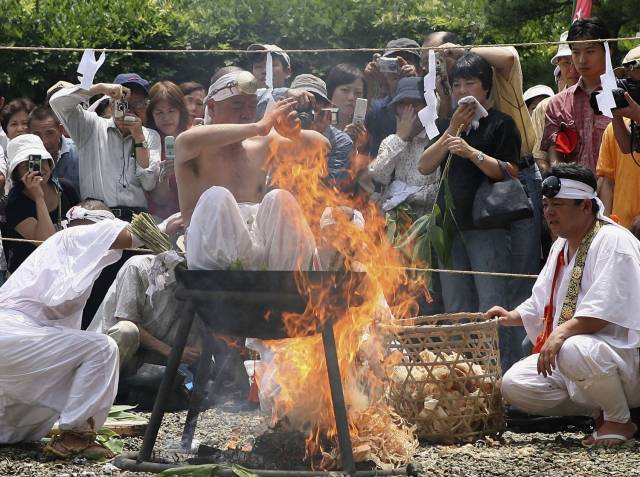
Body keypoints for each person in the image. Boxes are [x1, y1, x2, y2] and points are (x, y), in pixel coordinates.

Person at [490, 163, 640, 447]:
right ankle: (599, 408)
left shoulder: (613, 241)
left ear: (585, 206)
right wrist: (512, 316)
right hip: (585, 358)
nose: (548, 212)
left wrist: (560, 334)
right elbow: (542, 300)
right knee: (514, 385)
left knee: (570, 346)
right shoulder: (561, 244)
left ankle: (620, 420)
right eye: (546, 204)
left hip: (626, 360)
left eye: (557, 204)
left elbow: (604, 311)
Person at [0, 200, 137, 457]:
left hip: (16, 346)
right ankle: (76, 437)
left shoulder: (68, 259)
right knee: (102, 348)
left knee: (26, 430)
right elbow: (131, 236)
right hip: (12, 334)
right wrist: (168, 226)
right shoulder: (74, 234)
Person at [418, 53, 522, 371]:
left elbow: (509, 171)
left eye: (471, 83)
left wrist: (472, 152)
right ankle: (462, 377)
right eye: (457, 84)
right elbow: (425, 166)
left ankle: (499, 377)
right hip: (449, 228)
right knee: (457, 306)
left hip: (487, 226)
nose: (463, 90)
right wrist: (453, 128)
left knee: (491, 305)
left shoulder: (500, 123)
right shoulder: (448, 126)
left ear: (486, 88)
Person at [174, 69, 326, 271]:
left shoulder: (261, 141)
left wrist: (295, 134)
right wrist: (258, 127)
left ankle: (288, 287)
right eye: (237, 105)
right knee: (217, 197)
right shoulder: (193, 143)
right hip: (207, 254)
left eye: (252, 106)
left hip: (258, 249)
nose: (246, 113)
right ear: (211, 107)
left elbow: (323, 147)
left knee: (280, 198)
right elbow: (185, 141)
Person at [50, 73, 161, 220]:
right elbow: (57, 102)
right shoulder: (91, 126)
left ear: (146, 106)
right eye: (124, 104)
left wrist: (138, 136)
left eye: (139, 105)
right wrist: (99, 88)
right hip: (96, 218)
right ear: (111, 103)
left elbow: (149, 183)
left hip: (136, 220)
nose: (130, 110)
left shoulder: (150, 136)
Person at [541, 18, 611, 173]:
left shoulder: (624, 97)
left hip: (620, 191)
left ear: (608, 50)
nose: (582, 60)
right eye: (576, 52)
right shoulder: (557, 104)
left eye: (590, 51)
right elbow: (554, 157)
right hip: (573, 193)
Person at [4, 134, 79, 273]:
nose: (37, 169)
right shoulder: (15, 202)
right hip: (31, 276)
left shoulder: (66, 188)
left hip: (66, 270)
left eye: (39, 161)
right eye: (25, 166)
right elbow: (45, 241)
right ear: (16, 173)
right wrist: (39, 197)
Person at [369, 77, 440, 217]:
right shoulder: (391, 141)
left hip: (426, 224)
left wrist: (407, 195)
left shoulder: (436, 141)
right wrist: (400, 138)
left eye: (415, 104)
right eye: (402, 105)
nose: (409, 111)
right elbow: (378, 175)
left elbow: (439, 189)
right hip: (394, 225)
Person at [596, 45, 640, 234]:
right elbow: (607, 180)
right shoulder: (613, 128)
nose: (630, 87)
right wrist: (606, 226)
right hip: (623, 229)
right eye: (627, 81)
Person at [289, 74, 354, 190]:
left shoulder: (341, 141)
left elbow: (330, 187)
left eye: (315, 101)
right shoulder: (277, 133)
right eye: (300, 100)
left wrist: (313, 143)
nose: (307, 106)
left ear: (326, 107)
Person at [531, 31, 580, 174]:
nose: (572, 69)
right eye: (566, 62)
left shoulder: (604, 99)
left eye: (575, 60)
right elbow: (540, 157)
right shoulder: (546, 107)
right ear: (558, 64)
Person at [363, 38, 421, 156]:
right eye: (392, 62)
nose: (398, 68)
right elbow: (361, 123)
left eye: (406, 61)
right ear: (382, 70)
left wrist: (415, 82)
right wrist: (368, 83)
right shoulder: (379, 107)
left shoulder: (429, 100)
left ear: (418, 68)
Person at [145, 81, 190, 220]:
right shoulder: (148, 144)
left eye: (171, 111)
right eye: (159, 112)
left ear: (181, 111)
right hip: (163, 222)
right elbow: (160, 200)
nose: (166, 118)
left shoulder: (194, 139)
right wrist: (163, 178)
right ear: (151, 114)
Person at [28, 106, 80, 194]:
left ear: (60, 130)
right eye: (37, 135)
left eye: (50, 133)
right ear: (29, 134)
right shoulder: (29, 157)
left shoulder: (79, 152)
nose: (44, 141)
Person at [326, 63, 367, 131]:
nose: (351, 98)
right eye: (345, 90)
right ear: (331, 91)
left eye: (358, 93)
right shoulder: (315, 125)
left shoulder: (366, 130)